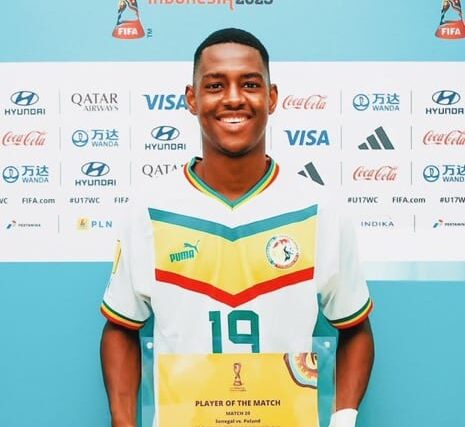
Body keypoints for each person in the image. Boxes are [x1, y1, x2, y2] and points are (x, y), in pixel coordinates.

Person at [100, 27, 374, 427]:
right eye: (215, 85)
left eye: (250, 84)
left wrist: (343, 420)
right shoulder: (149, 209)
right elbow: (121, 326)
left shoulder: (320, 209)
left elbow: (355, 327)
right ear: (192, 99)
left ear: (272, 97)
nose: (233, 98)